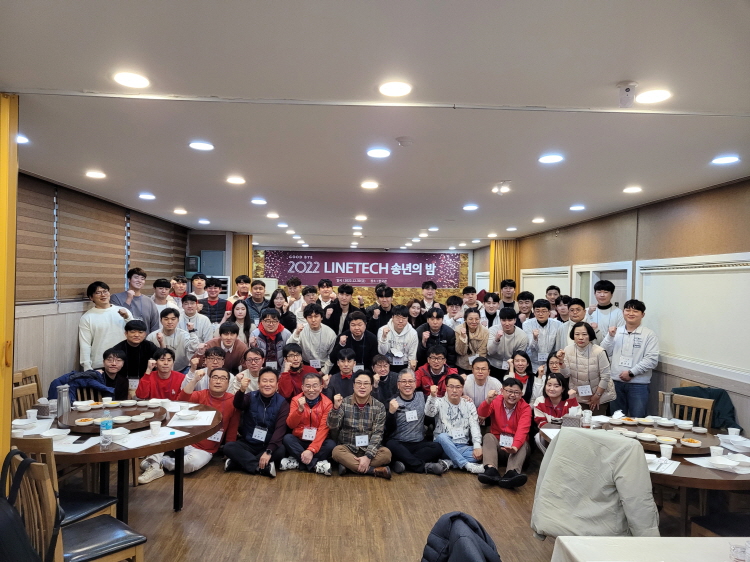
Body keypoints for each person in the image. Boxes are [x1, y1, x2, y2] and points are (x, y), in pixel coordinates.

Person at [224, 368, 289, 477]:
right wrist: (241, 390)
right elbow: (238, 404)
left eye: (271, 381)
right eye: (264, 381)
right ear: (258, 384)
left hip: (267, 444)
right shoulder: (251, 396)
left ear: (277, 385)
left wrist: (269, 451)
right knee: (228, 447)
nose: (267, 384)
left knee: (281, 450)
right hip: (248, 443)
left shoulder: (283, 403)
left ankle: (238, 463)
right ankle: (261, 468)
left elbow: (280, 429)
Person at [600, 299, 659, 418]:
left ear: (643, 314)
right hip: (616, 382)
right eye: (628, 310)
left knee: (638, 419)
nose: (631, 313)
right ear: (623, 312)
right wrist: (610, 337)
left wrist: (631, 373)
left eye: (635, 311)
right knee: (616, 419)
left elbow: (651, 360)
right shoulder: (616, 332)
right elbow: (603, 352)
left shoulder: (649, 334)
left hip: (638, 384)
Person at [328, 370, 392, 478]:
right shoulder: (343, 403)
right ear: (353, 385)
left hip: (369, 448)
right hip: (348, 447)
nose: (362, 387)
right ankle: (373, 470)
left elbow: (378, 433)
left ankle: (349, 466)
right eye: (359, 383)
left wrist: (368, 456)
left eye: (366, 383)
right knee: (336, 451)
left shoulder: (379, 406)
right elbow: (332, 426)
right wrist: (335, 408)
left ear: (371, 387)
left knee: (386, 454)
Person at [384, 370, 446, 475]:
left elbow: (433, 411)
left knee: (437, 447)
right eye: (404, 381)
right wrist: (391, 413)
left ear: (415, 383)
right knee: (390, 444)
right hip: (400, 444)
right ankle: (423, 467)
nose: (407, 384)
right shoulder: (392, 402)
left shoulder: (422, 397)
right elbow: (388, 430)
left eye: (410, 381)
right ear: (398, 385)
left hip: (419, 443)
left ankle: (404, 463)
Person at [477, 378, 532, 488]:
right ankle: (491, 470)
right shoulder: (496, 401)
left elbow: (523, 430)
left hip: (516, 450)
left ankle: (512, 473)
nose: (512, 395)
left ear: (521, 394)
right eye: (509, 391)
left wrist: (515, 447)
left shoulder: (525, 408)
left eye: (516, 392)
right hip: (498, 447)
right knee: (488, 436)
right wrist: (488, 401)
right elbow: (482, 414)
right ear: (502, 391)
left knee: (523, 443)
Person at [425, 374, 485, 474]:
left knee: (481, 453)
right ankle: (467, 465)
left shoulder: (468, 404)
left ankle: (449, 462)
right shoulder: (439, 402)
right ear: (446, 387)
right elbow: (429, 413)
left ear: (462, 388)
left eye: (458, 387)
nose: (454, 390)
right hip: (442, 445)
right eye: (451, 387)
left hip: (462, 446)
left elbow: (474, 425)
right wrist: (432, 396)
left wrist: (477, 445)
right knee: (443, 436)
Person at [281, 372, 336, 476]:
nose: (311, 390)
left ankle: (298, 462)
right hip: (300, 440)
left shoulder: (327, 403)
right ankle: (316, 465)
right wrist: (299, 410)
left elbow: (323, 429)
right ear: (302, 387)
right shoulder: (296, 400)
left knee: (331, 444)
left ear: (321, 387)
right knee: (287, 438)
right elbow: (290, 425)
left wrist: (311, 450)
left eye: (315, 386)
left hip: (318, 441)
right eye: (308, 386)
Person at [558, 321, 613, 415]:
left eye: (584, 334)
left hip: (598, 395)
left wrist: (597, 396)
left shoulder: (599, 351)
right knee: (578, 421)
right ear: (573, 335)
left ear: (590, 335)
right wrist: (561, 362)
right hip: (577, 396)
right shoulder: (567, 349)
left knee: (596, 422)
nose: (580, 337)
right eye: (577, 334)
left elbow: (605, 376)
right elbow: (566, 374)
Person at [79, 281, 132, 371]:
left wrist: (127, 317)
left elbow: (135, 330)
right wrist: (87, 366)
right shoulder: (87, 317)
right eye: (98, 293)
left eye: (105, 291)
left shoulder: (123, 311)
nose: (103, 295)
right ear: (91, 297)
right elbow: (85, 344)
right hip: (100, 363)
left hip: (124, 361)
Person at [533, 373, 579, 453]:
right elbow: (541, 423)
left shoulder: (570, 401)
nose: (551, 389)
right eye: (549, 385)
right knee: (538, 437)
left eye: (556, 386)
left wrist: (572, 400)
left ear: (563, 389)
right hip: (549, 433)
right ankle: (548, 456)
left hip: (568, 434)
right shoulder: (540, 401)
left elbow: (575, 420)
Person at [288, 303, 336, 373]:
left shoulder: (330, 333)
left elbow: (332, 356)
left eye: (316, 316)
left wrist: (323, 371)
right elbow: (289, 347)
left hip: (323, 366)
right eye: (310, 317)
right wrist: (297, 333)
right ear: (306, 318)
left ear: (321, 317)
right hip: (304, 365)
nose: (313, 320)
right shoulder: (301, 330)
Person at [110, 267, 160, 333]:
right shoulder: (116, 298)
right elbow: (116, 319)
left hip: (145, 338)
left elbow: (155, 326)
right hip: (123, 337)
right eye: (136, 277)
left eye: (142, 279)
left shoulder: (149, 301)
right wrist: (129, 299)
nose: (139, 281)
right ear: (129, 279)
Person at [487, 308, 528, 380]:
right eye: (503, 320)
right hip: (492, 365)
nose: (507, 323)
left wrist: (511, 366)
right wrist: (496, 339)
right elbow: (490, 352)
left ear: (515, 320)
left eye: (510, 320)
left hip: (511, 366)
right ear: (500, 320)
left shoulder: (522, 335)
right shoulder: (492, 330)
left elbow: (519, 356)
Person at [523, 299, 563, 372]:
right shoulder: (527, 324)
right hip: (532, 363)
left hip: (551, 363)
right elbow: (531, 347)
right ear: (534, 312)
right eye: (537, 311)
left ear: (549, 312)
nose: (540, 314)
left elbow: (558, 345)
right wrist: (535, 338)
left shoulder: (558, 324)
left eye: (544, 311)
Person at [377, 305, 418, 370]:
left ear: (407, 318)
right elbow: (382, 352)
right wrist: (384, 337)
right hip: (387, 365)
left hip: (405, 364)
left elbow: (412, 356)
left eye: (404, 318)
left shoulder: (413, 333)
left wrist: (409, 372)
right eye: (398, 318)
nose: (401, 321)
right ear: (392, 317)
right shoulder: (383, 330)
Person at [455, 308, 489, 374]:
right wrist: (463, 338)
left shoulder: (485, 331)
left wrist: (477, 367)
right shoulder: (459, 329)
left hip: (478, 366)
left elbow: (482, 351)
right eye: (470, 319)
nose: (474, 322)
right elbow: (460, 351)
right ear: (465, 319)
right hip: (461, 364)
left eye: (477, 319)